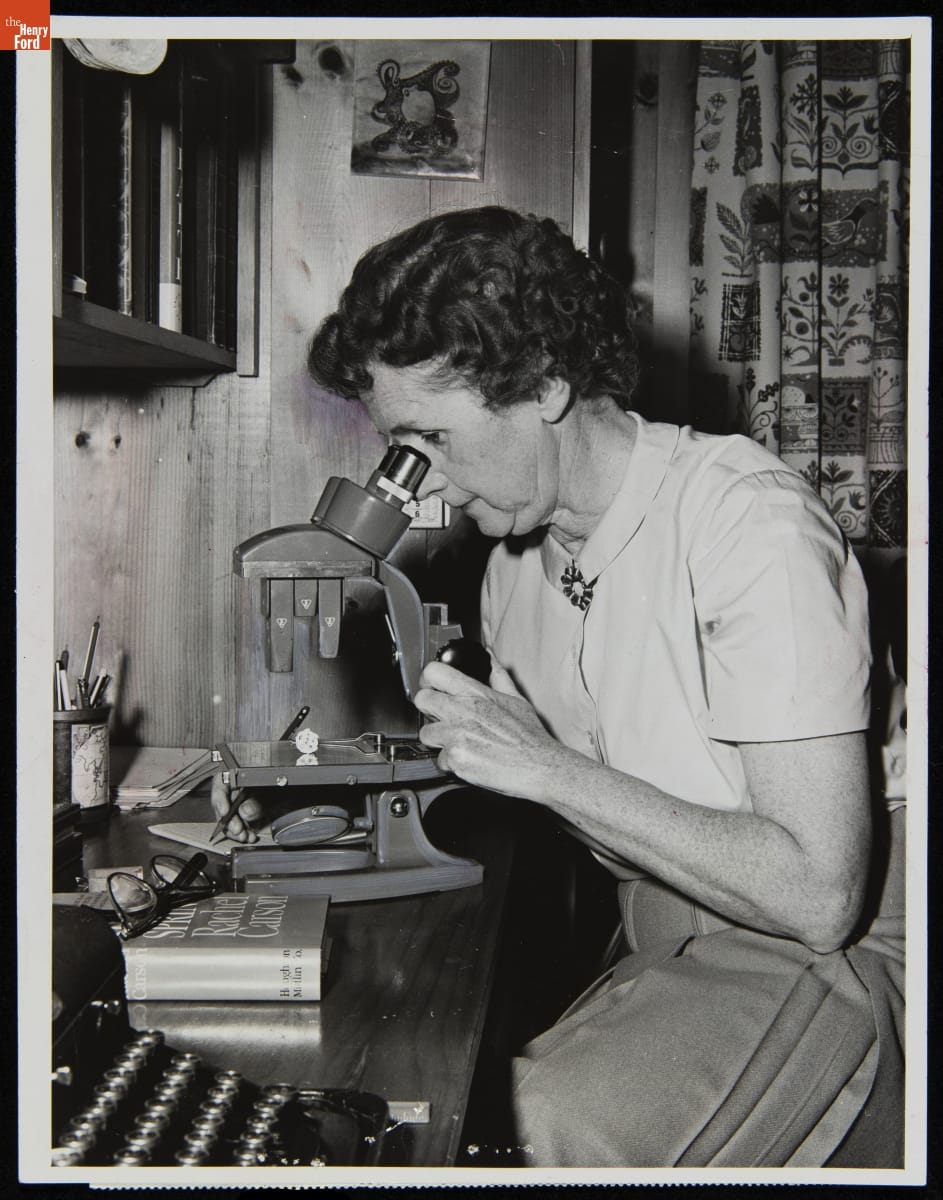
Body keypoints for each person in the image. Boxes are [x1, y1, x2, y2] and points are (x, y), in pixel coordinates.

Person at [213, 206, 904, 1168]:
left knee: (536, 1131)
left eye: (434, 441)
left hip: (841, 965)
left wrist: (542, 767)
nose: (422, 490)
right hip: (670, 940)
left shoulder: (747, 525)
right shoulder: (514, 566)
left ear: (543, 384)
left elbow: (818, 894)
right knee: (409, 1084)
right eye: (400, 453)